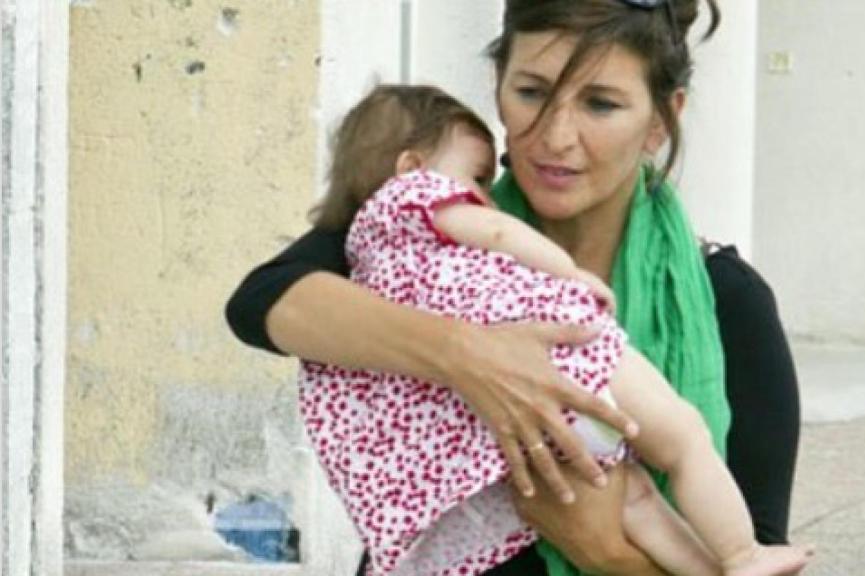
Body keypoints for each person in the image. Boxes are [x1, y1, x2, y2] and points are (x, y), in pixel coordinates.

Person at [225, 0, 802, 574]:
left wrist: (606, 552)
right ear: (497, 87)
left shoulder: (730, 302)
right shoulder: (430, 235)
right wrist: (469, 356)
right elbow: (263, 301)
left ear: (660, 121)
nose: (556, 136)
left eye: (600, 104)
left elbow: (756, 556)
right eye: (531, 92)